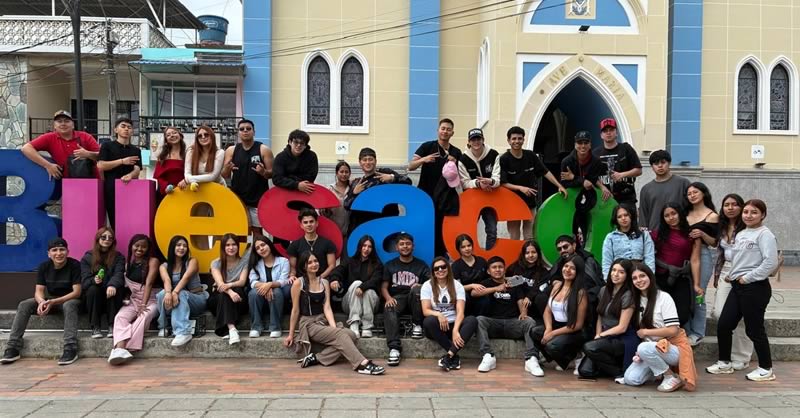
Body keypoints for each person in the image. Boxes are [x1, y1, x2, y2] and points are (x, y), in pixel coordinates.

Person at [706, 199, 778, 381]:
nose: (749, 215)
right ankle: (724, 362)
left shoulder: (765, 235)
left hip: (755, 288)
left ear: (763, 215)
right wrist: (732, 275)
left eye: (754, 212)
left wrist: (747, 277)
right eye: (746, 212)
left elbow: (770, 263)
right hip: (737, 286)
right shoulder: (742, 234)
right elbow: (737, 259)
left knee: (754, 330)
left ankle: (766, 368)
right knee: (724, 324)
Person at [284, 251, 385, 375]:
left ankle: (317, 358)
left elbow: (327, 307)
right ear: (304, 266)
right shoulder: (299, 283)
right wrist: (290, 334)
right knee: (341, 335)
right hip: (308, 324)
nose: (314, 264)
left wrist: (333, 326)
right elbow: (295, 310)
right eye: (309, 262)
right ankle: (362, 364)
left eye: (315, 261)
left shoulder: (324, 282)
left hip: (322, 321)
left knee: (351, 335)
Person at [1, 238, 81, 366]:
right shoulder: (44, 266)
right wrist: (42, 302)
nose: (58, 253)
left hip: (68, 300)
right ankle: (13, 347)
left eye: (62, 250)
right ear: (48, 253)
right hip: (50, 300)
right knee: (24, 304)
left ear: (67, 251)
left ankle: (70, 348)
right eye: (54, 250)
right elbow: (38, 291)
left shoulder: (75, 265)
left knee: (69, 305)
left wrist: (53, 302)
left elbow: (76, 292)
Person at [623, 262, 696, 392]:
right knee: (631, 379)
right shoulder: (635, 300)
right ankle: (658, 370)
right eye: (634, 278)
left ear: (650, 276)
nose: (639, 280)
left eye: (642, 276)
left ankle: (670, 376)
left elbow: (673, 330)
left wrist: (646, 332)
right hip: (652, 349)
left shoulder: (663, 297)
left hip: (673, 348)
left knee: (644, 348)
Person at [472, 256, 540, 376]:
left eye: (500, 267)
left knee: (529, 321)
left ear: (504, 269)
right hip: (493, 323)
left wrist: (523, 313)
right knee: (479, 320)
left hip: (512, 323)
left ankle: (531, 359)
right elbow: (473, 293)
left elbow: (520, 300)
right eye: (494, 267)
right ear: (488, 271)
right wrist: (496, 288)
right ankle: (488, 356)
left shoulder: (513, 283)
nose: (497, 269)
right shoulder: (486, 283)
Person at [708, 194, 753, 371]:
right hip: (726, 270)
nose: (730, 208)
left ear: (741, 207)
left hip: (744, 271)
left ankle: (741, 356)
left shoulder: (748, 227)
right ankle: (728, 352)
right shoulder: (721, 226)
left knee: (742, 315)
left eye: (735, 204)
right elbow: (719, 250)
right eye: (726, 204)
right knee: (720, 313)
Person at [500, 126, 567, 240]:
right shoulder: (504, 159)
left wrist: (559, 185)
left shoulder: (530, 156)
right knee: (514, 237)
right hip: (512, 204)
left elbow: (545, 172)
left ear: (523, 140)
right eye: (514, 138)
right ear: (508, 141)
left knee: (530, 236)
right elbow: (502, 183)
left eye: (520, 138)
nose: (517, 141)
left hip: (530, 203)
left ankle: (529, 252)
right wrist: (520, 188)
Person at [408, 118, 463, 257]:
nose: (445, 131)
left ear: (452, 133)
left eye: (448, 129)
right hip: (426, 195)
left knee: (441, 230)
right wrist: (424, 159)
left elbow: (461, 175)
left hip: (446, 198)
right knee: (426, 227)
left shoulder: (456, 152)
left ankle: (441, 258)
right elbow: (411, 166)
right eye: (443, 128)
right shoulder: (427, 146)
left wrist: (455, 163)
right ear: (438, 130)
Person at [107, 234, 161, 365]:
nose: (139, 249)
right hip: (134, 300)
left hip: (151, 300)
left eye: (144, 247)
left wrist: (143, 304)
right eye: (137, 246)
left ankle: (121, 348)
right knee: (120, 317)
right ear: (131, 246)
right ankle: (120, 350)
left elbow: (148, 283)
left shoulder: (153, 261)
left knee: (143, 317)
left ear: (148, 249)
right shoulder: (128, 265)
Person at [532, 255, 589, 376]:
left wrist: (552, 333)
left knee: (551, 345)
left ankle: (578, 356)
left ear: (578, 272)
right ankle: (564, 361)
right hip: (556, 326)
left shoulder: (580, 293)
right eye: (566, 266)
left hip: (573, 330)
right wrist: (548, 329)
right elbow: (547, 311)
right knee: (534, 332)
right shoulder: (557, 286)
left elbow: (578, 325)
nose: (567, 270)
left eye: (572, 268)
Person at [579, 259, 636, 379]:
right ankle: (609, 366)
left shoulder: (628, 294)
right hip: (606, 336)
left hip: (622, 338)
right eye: (613, 270)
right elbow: (600, 316)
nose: (615, 274)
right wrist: (598, 334)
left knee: (590, 347)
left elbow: (622, 327)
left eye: (621, 272)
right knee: (585, 371)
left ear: (628, 275)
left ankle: (619, 373)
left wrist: (601, 335)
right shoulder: (604, 290)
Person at [421, 257, 479, 371]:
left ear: (448, 268)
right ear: (433, 272)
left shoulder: (457, 285)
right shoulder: (427, 285)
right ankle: (454, 356)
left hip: (453, 324)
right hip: (438, 328)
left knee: (472, 320)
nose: (440, 270)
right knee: (428, 321)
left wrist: (455, 330)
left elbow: (460, 312)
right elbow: (426, 310)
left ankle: (449, 356)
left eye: (443, 267)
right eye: (436, 268)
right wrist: (439, 315)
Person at [382, 232, 429, 366]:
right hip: (398, 298)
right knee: (389, 307)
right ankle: (394, 349)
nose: (405, 246)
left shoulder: (421, 265)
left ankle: (417, 325)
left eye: (408, 244)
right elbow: (384, 287)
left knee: (417, 290)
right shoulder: (390, 265)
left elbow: (431, 283)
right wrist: (388, 298)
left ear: (413, 246)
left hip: (416, 299)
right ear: (397, 247)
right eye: (402, 244)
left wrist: (420, 285)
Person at [651, 202, 701, 327]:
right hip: (660, 278)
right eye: (667, 215)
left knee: (682, 315)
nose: (671, 217)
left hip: (681, 277)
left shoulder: (692, 234)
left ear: (680, 214)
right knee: (659, 313)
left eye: (673, 213)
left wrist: (696, 284)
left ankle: (674, 335)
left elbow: (695, 260)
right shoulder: (657, 234)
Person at [344, 147, 412, 236]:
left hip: (385, 226)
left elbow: (408, 181)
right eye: (364, 160)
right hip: (363, 228)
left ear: (375, 161)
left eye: (370, 159)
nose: (367, 162)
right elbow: (346, 205)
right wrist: (354, 194)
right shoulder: (357, 182)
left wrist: (392, 178)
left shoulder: (385, 173)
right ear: (360, 162)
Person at [222, 119, 273, 235]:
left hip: (258, 198)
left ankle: (256, 248)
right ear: (238, 133)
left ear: (254, 132)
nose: (245, 131)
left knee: (257, 232)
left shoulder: (264, 149)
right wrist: (227, 169)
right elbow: (224, 175)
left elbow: (272, 173)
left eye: (248, 129)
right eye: (242, 129)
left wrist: (263, 172)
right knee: (240, 231)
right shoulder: (231, 150)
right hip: (238, 198)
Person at [156, 235, 208, 347]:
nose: (182, 248)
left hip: (196, 299)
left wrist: (175, 292)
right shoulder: (164, 266)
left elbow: (186, 278)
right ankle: (164, 326)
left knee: (181, 293)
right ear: (172, 247)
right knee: (161, 294)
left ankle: (183, 332)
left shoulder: (192, 261)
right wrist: (169, 293)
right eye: (178, 245)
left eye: (184, 246)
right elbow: (166, 280)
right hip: (176, 301)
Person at [685, 182, 720, 345]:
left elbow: (715, 242)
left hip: (703, 255)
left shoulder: (712, 216)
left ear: (704, 193)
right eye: (689, 193)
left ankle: (698, 332)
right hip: (685, 255)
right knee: (685, 293)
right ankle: (686, 330)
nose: (692, 195)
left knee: (699, 293)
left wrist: (703, 234)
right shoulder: (685, 213)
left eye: (695, 192)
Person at [21, 110, 100, 180]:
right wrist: (47, 165)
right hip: (64, 183)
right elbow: (26, 148)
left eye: (66, 121)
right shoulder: (49, 137)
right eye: (59, 121)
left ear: (73, 125)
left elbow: (102, 156)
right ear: (54, 126)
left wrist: (88, 154)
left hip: (90, 181)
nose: (63, 124)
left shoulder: (85, 137)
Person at [457, 128, 501, 249]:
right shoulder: (463, 159)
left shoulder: (493, 154)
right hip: (472, 201)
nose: (476, 142)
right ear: (469, 142)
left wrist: (490, 181)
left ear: (483, 140)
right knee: (468, 231)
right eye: (473, 140)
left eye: (478, 139)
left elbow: (497, 178)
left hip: (490, 199)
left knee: (492, 230)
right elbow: (464, 183)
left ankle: (490, 257)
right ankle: (469, 256)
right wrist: (478, 183)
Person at [333, 235, 382, 338]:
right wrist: (334, 279)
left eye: (369, 246)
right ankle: (354, 323)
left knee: (368, 291)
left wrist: (363, 287)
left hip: (371, 304)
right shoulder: (350, 261)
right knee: (356, 283)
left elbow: (375, 280)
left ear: (372, 249)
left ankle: (367, 327)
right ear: (360, 246)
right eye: (364, 246)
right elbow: (338, 271)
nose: (366, 249)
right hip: (349, 304)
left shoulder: (377, 264)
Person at [80, 227, 125, 339]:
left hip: (111, 296)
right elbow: (84, 281)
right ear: (97, 239)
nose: (107, 240)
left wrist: (112, 284)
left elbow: (119, 274)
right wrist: (93, 280)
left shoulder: (118, 257)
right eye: (103, 237)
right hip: (95, 298)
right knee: (92, 289)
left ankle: (112, 326)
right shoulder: (87, 257)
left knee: (115, 288)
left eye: (110, 238)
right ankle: (95, 326)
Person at [97, 117, 142, 229]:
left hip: (131, 188)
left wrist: (131, 175)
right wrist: (122, 161)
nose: (126, 129)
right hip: (111, 188)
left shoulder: (136, 150)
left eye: (129, 127)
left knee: (131, 220)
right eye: (123, 126)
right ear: (115, 130)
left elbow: (137, 169)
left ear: (132, 131)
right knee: (114, 220)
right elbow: (101, 165)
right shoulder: (107, 146)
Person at [286, 208, 338, 300]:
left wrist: (319, 278)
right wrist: (292, 275)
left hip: (323, 278)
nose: (309, 224)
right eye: (305, 222)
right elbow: (292, 267)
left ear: (317, 223)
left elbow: (332, 265)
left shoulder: (327, 243)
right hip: (302, 280)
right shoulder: (295, 245)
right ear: (301, 225)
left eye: (311, 221)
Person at [208, 233, 249, 345]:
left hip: (238, 299)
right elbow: (220, 284)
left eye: (234, 244)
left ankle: (227, 330)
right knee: (223, 295)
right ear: (223, 247)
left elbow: (242, 282)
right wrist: (230, 292)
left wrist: (230, 285)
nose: (231, 248)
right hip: (218, 301)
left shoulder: (244, 262)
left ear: (238, 246)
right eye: (227, 245)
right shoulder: (216, 263)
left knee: (235, 291)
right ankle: (232, 328)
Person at [592, 118, 642, 205]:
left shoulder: (626, 149)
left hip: (626, 198)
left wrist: (622, 175)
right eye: (605, 131)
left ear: (616, 133)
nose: (608, 133)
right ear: (601, 135)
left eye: (611, 130)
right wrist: (602, 187)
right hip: (604, 199)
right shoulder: (595, 153)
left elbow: (638, 170)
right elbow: (590, 175)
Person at [248, 235, 289, 338]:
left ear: (269, 245)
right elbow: (253, 282)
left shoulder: (283, 261)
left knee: (277, 292)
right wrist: (265, 286)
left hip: (279, 296)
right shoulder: (255, 264)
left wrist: (270, 284)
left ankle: (275, 327)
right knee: (253, 293)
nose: (261, 249)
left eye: (263, 245)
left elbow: (283, 281)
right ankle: (256, 327)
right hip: (261, 295)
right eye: (258, 248)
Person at [639, 149, 691, 230]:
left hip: (679, 231)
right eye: (656, 164)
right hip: (655, 232)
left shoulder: (683, 183)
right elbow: (643, 215)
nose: (660, 166)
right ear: (652, 167)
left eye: (663, 162)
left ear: (669, 163)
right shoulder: (646, 189)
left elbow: (691, 208)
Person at [601, 204, 655, 278]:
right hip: (619, 276)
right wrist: (608, 280)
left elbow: (650, 258)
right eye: (619, 217)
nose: (623, 218)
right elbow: (607, 262)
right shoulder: (610, 237)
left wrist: (650, 277)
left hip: (639, 275)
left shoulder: (644, 235)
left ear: (631, 215)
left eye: (626, 215)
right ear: (616, 219)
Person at [560, 130, 611, 201]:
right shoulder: (566, 162)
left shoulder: (596, 162)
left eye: (586, 143)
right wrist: (582, 181)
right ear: (575, 145)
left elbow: (591, 183)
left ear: (590, 145)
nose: (583, 146)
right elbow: (564, 184)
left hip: (590, 198)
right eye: (580, 143)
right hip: (571, 197)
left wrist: (573, 177)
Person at [509, 240, 549, 321]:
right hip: (517, 303)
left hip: (532, 302)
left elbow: (540, 287)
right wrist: (511, 279)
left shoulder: (543, 271)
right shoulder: (515, 267)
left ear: (538, 254)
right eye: (527, 253)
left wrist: (529, 297)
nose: (531, 255)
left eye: (533, 252)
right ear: (523, 254)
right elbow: (505, 279)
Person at [450, 234, 488, 316]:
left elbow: (489, 280)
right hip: (465, 298)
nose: (467, 249)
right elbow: (456, 287)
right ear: (458, 249)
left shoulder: (481, 261)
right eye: (463, 247)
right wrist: (472, 286)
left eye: (469, 245)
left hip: (482, 294)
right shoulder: (456, 266)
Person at [185, 125, 225, 190]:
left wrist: (188, 179)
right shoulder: (190, 152)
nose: (203, 137)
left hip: (218, 188)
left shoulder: (219, 152)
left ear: (212, 136)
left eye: (206, 135)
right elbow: (187, 173)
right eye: (199, 136)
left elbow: (213, 176)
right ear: (197, 139)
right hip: (199, 189)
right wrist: (189, 179)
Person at [152, 126, 186, 200]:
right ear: (166, 140)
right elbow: (159, 177)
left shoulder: (188, 155)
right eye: (168, 135)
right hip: (166, 194)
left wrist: (185, 182)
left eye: (174, 133)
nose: (172, 135)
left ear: (180, 135)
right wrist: (166, 187)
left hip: (184, 192)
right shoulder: (162, 157)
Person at [321, 161, 351, 241]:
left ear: (349, 174)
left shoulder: (353, 189)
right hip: (332, 231)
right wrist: (325, 210)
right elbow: (323, 213)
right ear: (337, 173)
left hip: (349, 232)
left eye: (346, 172)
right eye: (341, 172)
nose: (344, 174)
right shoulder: (329, 190)